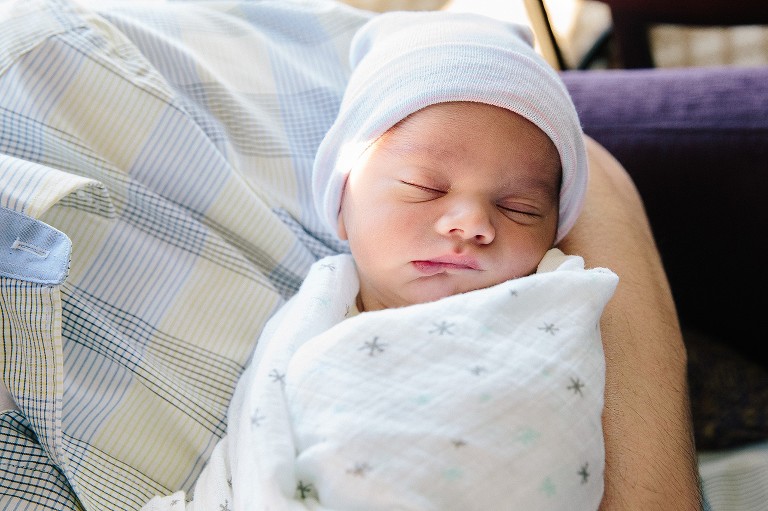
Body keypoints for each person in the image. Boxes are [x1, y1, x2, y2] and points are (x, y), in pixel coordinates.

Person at [143, 8, 702, 511]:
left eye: (520, 207)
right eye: (423, 187)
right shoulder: (313, 311)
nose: (473, 224)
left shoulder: (559, 299)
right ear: (341, 202)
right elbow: (254, 441)